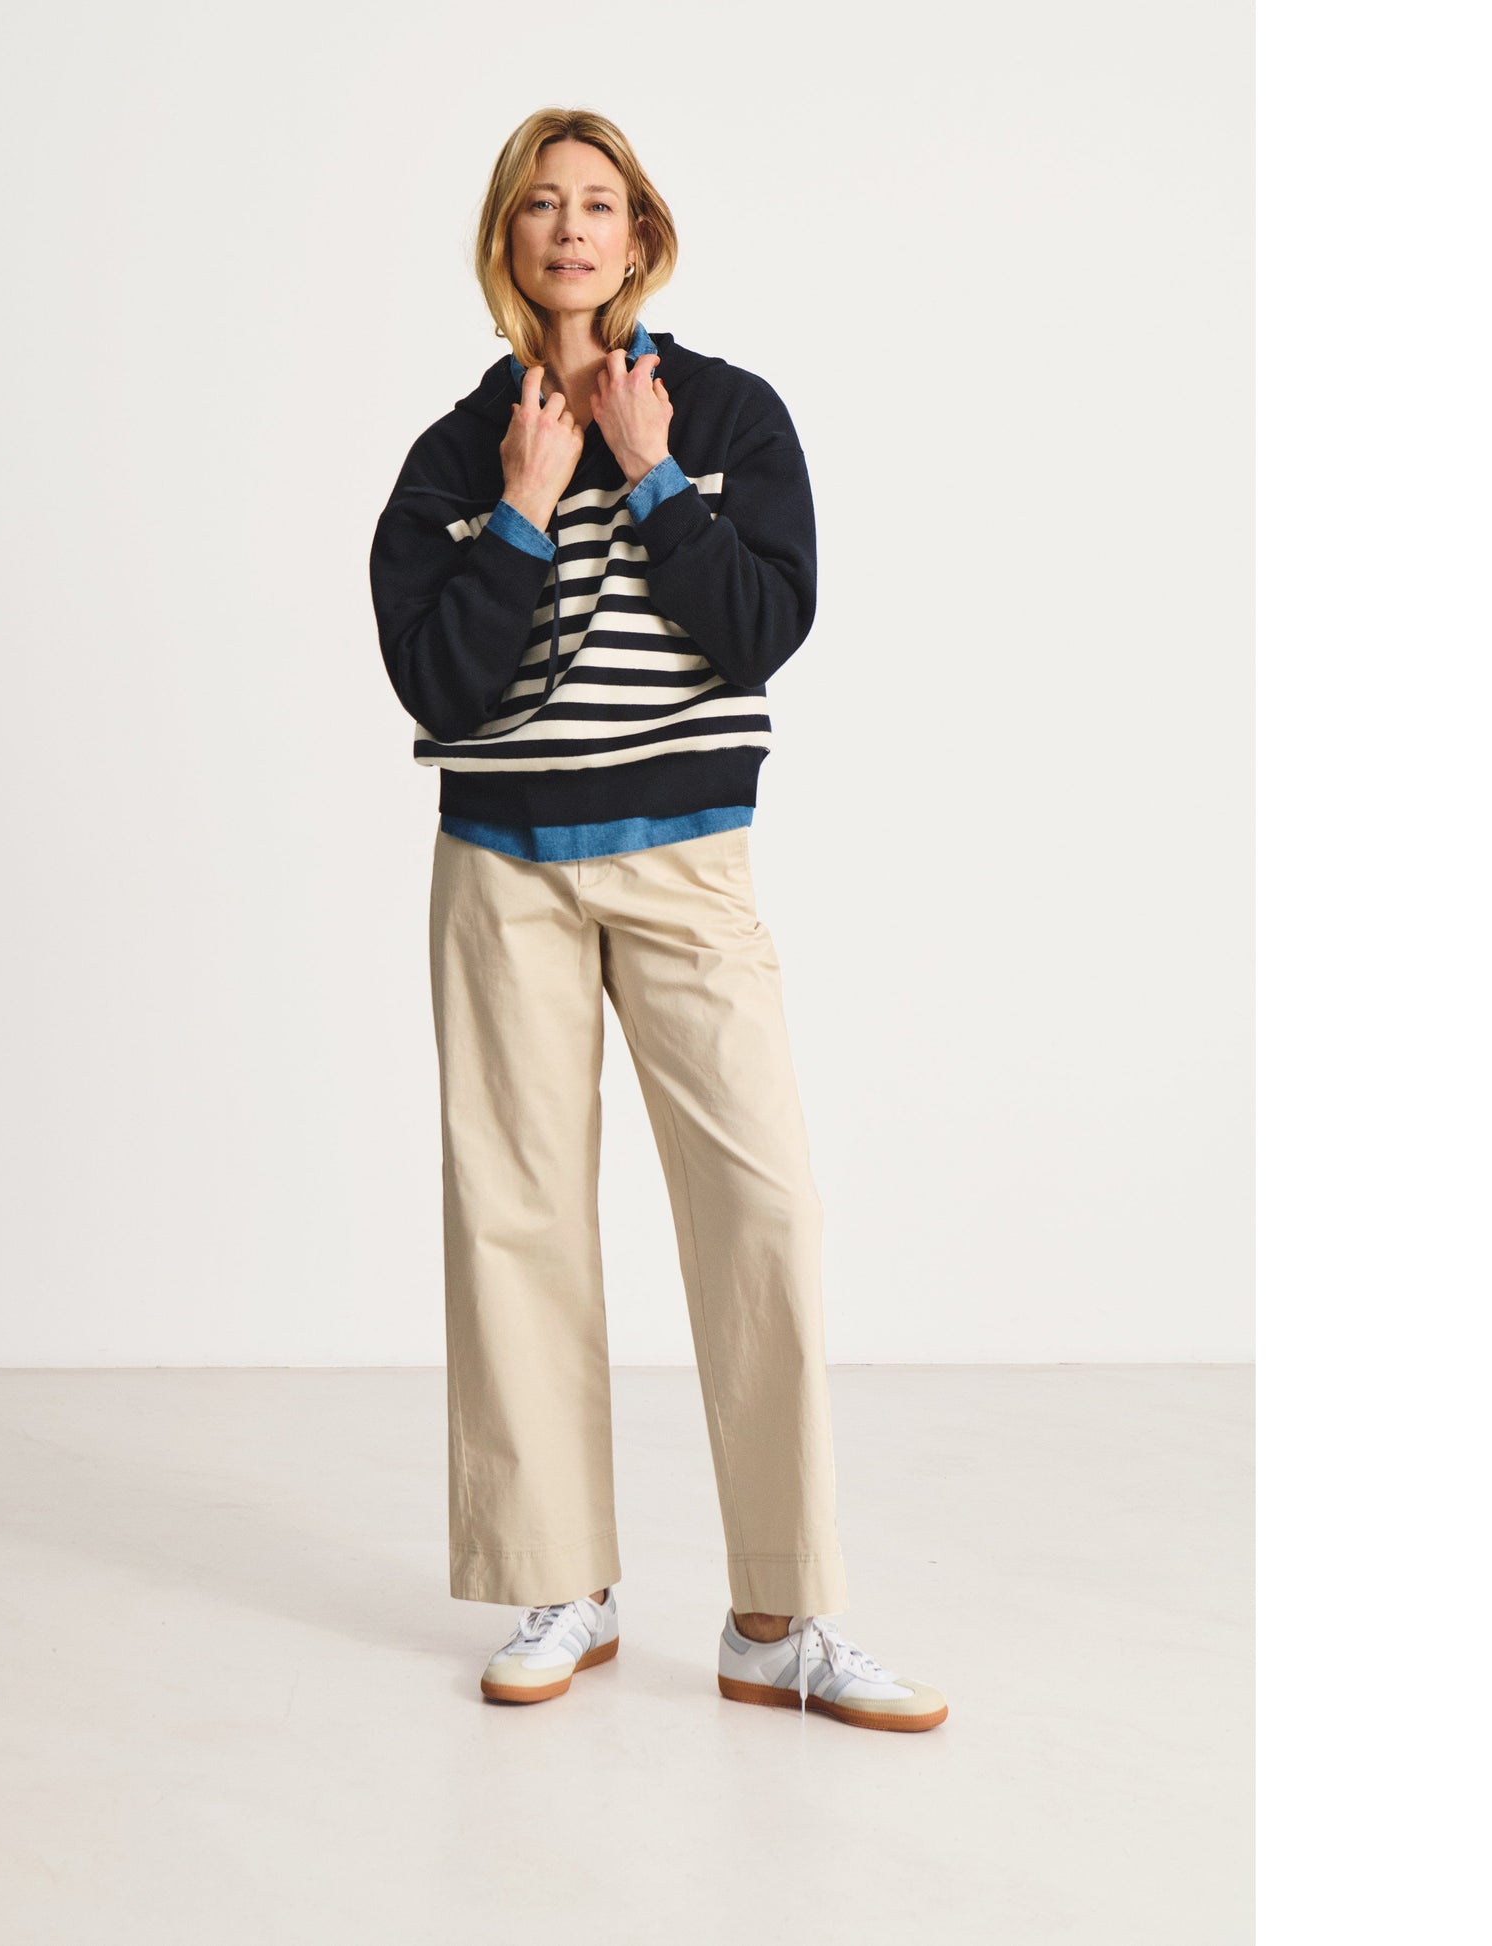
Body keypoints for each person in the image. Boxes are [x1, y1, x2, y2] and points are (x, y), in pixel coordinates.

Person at [368, 108, 947, 1734]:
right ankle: (562, 1580)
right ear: (506, 237)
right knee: (515, 1217)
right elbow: (437, 679)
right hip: (500, 868)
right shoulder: (453, 454)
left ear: (641, 235)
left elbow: (757, 625)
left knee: (762, 1208)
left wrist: (648, 470)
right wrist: (525, 507)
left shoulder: (729, 415)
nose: (570, 228)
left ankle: (779, 1613)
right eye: (540, 205)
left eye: (598, 203)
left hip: (687, 859)